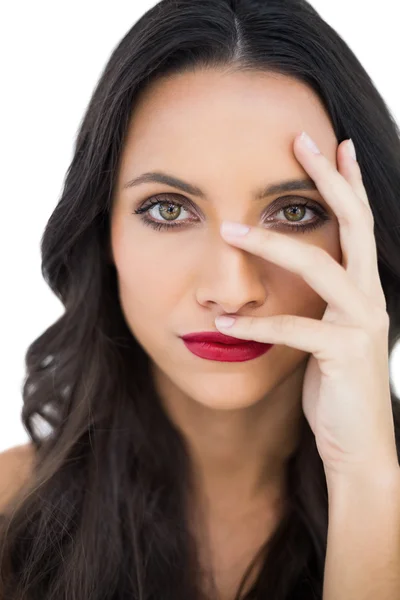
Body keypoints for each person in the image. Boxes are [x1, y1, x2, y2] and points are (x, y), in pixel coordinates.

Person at [1, 0, 400, 598]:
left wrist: (366, 485)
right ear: (101, 229)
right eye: (168, 209)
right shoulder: (8, 513)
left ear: (361, 235)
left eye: (295, 212)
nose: (232, 291)